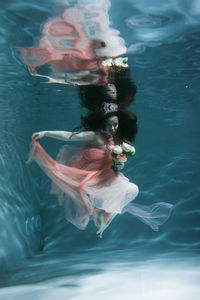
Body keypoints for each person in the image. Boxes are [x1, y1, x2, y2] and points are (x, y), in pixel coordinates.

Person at [29, 98, 172, 237]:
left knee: (132, 190)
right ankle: (105, 217)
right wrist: (46, 133)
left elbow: (114, 166)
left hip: (107, 178)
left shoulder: (113, 142)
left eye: (116, 125)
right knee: (130, 191)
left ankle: (105, 218)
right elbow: (69, 136)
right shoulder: (95, 136)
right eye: (111, 124)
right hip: (92, 178)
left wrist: (119, 162)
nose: (114, 128)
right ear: (103, 123)